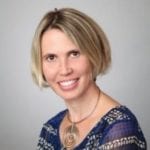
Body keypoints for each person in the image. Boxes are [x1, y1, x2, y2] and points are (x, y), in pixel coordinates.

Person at [31, 8, 147, 150]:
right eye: (51, 58)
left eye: (74, 54)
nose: (64, 70)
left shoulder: (119, 129)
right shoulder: (50, 128)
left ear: (94, 54)